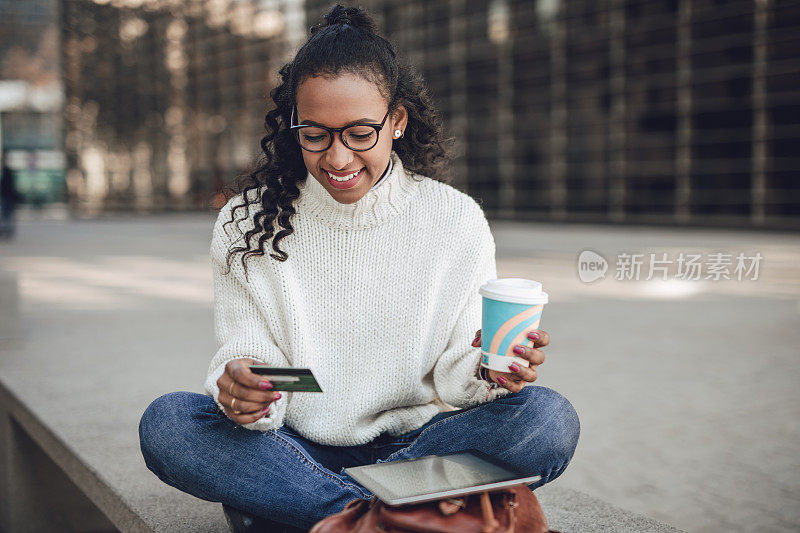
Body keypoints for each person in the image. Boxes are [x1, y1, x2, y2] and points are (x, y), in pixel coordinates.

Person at [138, 5, 579, 532]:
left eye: (360, 133)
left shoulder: (453, 219)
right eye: (315, 135)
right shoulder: (247, 220)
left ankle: (335, 517)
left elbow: (452, 374)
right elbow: (255, 358)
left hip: (416, 447)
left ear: (397, 121)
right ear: (292, 126)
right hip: (290, 450)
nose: (338, 159)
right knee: (169, 424)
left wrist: (490, 369)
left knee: (547, 418)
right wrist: (244, 391)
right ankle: (381, 516)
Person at [0, 153, 19, 240]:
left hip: (6, 197)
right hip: (6, 197)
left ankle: (7, 231)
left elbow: (10, 186)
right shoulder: (7, 171)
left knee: (7, 214)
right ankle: (6, 231)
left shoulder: (6, 171)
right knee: (6, 215)